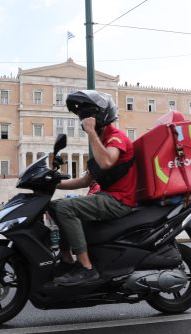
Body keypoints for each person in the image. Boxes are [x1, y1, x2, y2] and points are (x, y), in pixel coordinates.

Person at [50, 90, 137, 286]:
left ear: (100, 116)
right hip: (106, 197)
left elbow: (107, 162)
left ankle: (86, 268)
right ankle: (66, 260)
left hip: (119, 201)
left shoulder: (116, 138)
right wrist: (52, 183)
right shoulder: (102, 142)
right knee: (55, 206)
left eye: (87, 117)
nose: (83, 122)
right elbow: (85, 181)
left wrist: (90, 132)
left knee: (66, 208)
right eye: (82, 118)